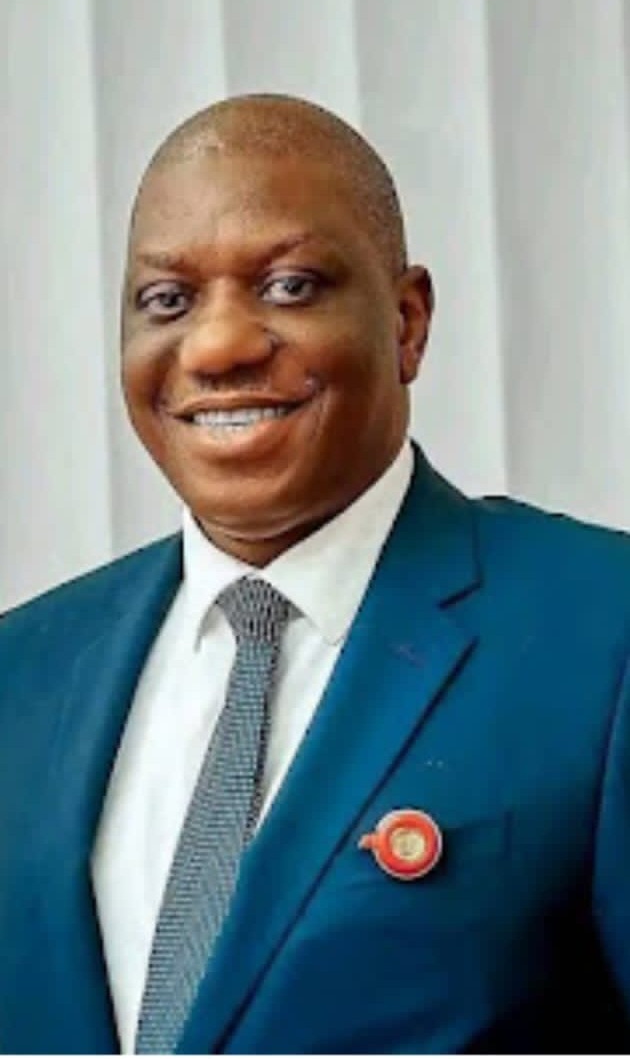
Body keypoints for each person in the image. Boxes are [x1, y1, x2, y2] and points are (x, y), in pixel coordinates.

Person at [1, 92, 629, 1056]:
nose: (218, 347)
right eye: (167, 301)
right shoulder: (23, 672)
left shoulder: (600, 633)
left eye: (290, 286)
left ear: (408, 322)